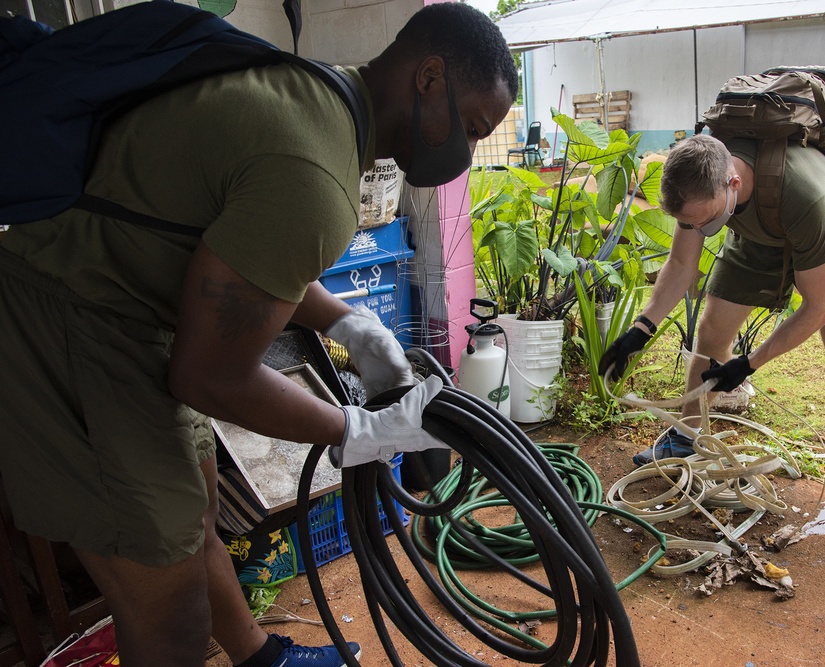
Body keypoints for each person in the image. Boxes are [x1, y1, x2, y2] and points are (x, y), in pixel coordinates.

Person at [0, 2, 517, 666]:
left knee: (196, 510)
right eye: (472, 128)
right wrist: (354, 429)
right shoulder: (316, 173)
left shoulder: (318, 95)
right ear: (429, 77)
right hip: (72, 320)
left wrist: (346, 321)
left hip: (122, 308)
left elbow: (244, 249)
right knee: (170, 612)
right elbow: (210, 376)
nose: (467, 152)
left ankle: (257, 657)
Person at [600, 133, 825, 538]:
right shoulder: (698, 189)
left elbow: (819, 307)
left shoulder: (805, 195)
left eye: (704, 221)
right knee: (711, 332)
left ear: (732, 183)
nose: (698, 228)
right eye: (690, 222)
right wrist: (639, 331)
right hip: (755, 232)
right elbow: (682, 263)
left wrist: (749, 364)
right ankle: (686, 437)